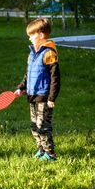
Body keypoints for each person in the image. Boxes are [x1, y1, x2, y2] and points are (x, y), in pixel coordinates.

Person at [15, 18, 61, 161]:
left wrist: (52, 98)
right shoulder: (32, 53)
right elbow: (28, 74)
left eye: (31, 35)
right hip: (32, 96)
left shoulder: (49, 53)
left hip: (44, 97)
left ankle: (50, 154)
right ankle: (41, 150)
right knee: (34, 125)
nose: (29, 38)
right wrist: (21, 88)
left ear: (41, 35)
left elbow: (55, 78)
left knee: (43, 125)